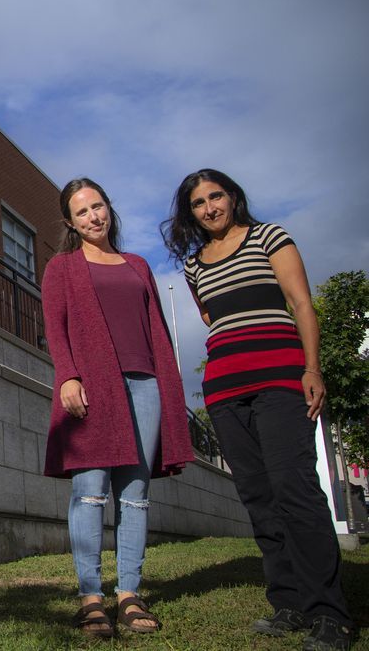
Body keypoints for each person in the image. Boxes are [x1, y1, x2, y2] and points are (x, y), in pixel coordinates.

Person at [162, 169, 354, 651]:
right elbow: (213, 319)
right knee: (258, 496)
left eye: (216, 196)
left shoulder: (269, 236)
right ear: (190, 214)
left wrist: (312, 369)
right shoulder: (194, 265)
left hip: (281, 378)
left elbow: (300, 303)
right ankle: (287, 602)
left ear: (232, 197)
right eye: (198, 203)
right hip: (224, 389)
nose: (209, 208)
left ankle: (329, 613)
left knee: (296, 488)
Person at [43, 178, 195, 639]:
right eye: (82, 211)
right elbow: (56, 326)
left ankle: (129, 592)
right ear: (70, 221)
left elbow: (156, 329)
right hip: (92, 384)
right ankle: (91, 598)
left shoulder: (137, 264)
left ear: (109, 208)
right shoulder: (62, 267)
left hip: (144, 383)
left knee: (135, 494)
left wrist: (169, 384)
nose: (94, 216)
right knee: (89, 491)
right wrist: (68, 375)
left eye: (98, 206)